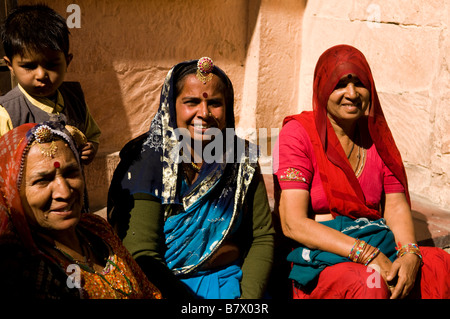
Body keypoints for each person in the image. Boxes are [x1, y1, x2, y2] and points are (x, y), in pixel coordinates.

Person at [273, 44, 450, 299]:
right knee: (371, 282)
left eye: (360, 83)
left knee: (438, 264)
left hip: (378, 241)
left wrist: (410, 254)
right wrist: (368, 254)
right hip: (327, 258)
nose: (352, 93)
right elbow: (293, 223)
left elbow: (396, 207)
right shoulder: (298, 134)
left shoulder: (376, 136)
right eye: (340, 83)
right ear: (322, 88)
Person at [108, 57, 275, 299]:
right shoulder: (148, 160)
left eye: (215, 103)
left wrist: (248, 299)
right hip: (165, 289)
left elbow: (261, 236)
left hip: (230, 282)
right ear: (171, 106)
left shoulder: (241, 160)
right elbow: (142, 252)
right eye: (191, 102)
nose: (204, 113)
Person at [0, 121, 162, 299]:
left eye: (71, 173)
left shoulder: (96, 229)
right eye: (43, 180)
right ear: (11, 192)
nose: (65, 192)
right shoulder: (22, 267)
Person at [0, 4, 100, 165]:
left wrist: (91, 148)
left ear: (67, 62)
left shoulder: (75, 99)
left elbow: (92, 136)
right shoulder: (7, 114)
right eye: (29, 66)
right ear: (10, 65)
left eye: (52, 65)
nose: (41, 75)